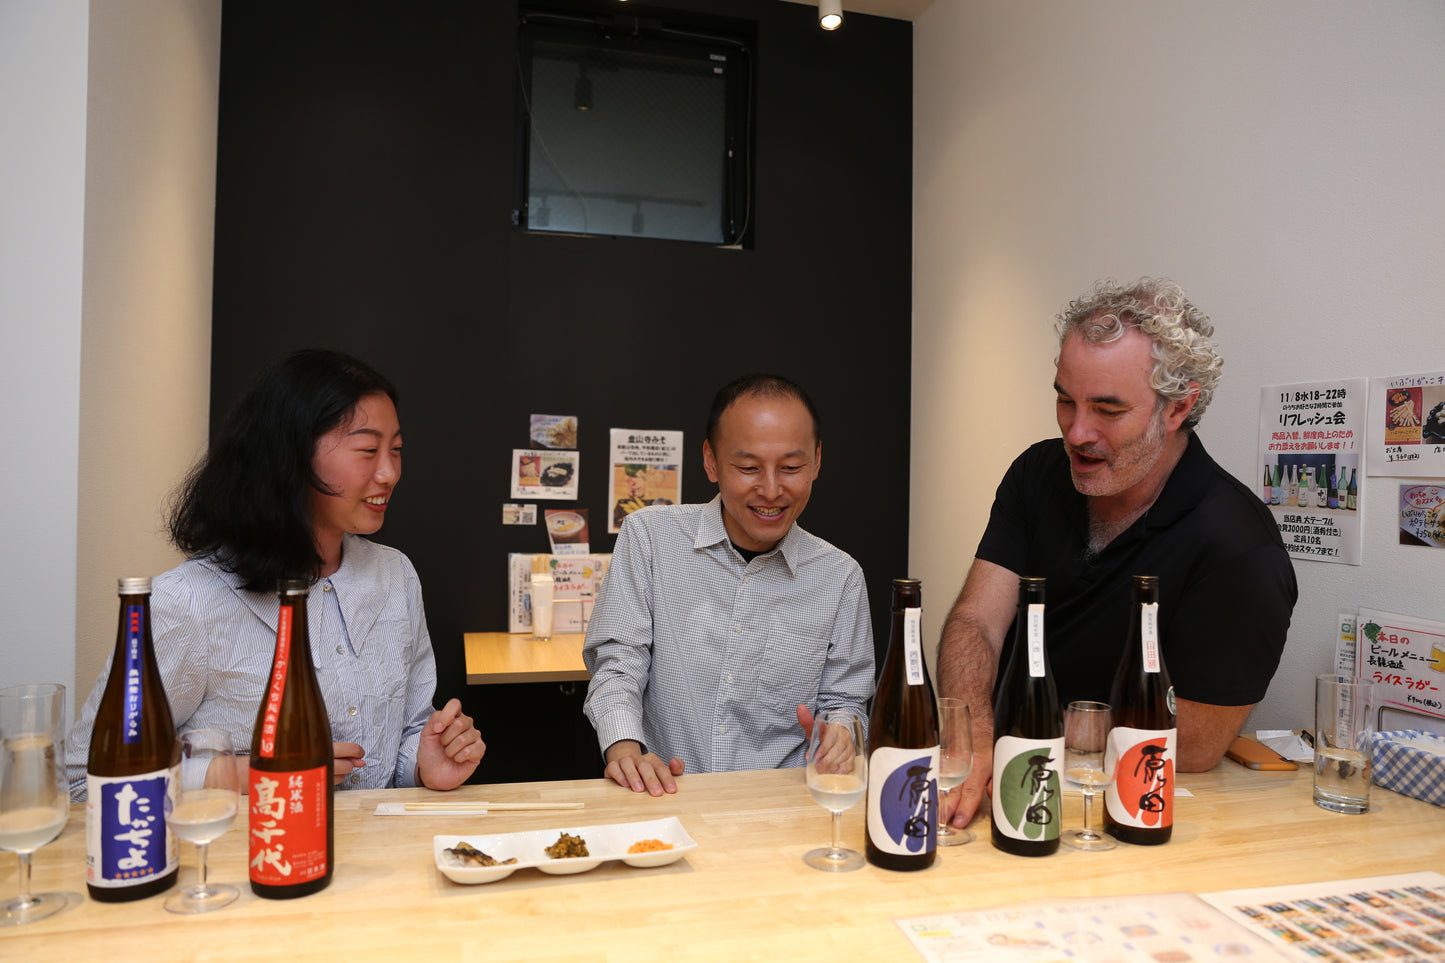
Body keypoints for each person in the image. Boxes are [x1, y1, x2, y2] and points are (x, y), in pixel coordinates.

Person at [937, 278, 1297, 830]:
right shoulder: (1037, 474)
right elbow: (975, 621)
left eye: (1107, 409)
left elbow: (1198, 744)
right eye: (1065, 399)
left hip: (1125, 811)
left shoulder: (1237, 545)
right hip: (999, 792)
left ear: (1178, 408)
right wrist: (972, 738)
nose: (1077, 432)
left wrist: (1038, 740)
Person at [67, 349, 485, 798]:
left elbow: (402, 735)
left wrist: (423, 766)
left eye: (396, 450)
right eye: (368, 450)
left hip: (380, 862)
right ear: (291, 456)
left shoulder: (395, 576)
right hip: (247, 862)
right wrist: (252, 775)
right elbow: (83, 779)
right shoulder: (186, 603)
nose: (389, 473)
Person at [583, 374, 875, 795]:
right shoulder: (650, 537)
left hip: (783, 809)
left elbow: (845, 701)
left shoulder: (840, 576)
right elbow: (617, 663)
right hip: (664, 796)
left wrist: (843, 737)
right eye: (748, 468)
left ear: (817, 461)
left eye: (791, 467)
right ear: (711, 461)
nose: (771, 489)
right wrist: (626, 751)